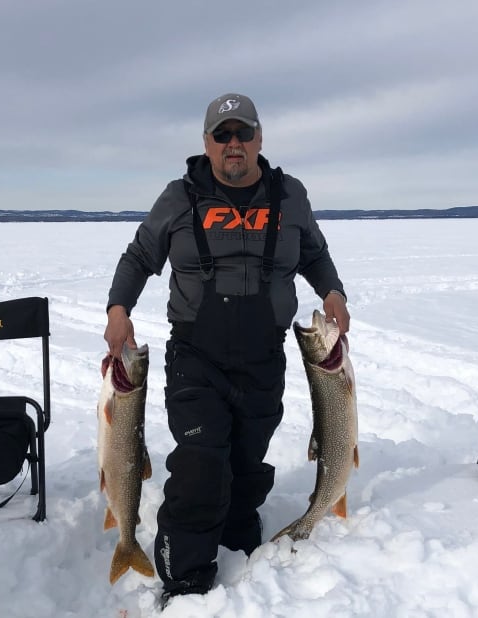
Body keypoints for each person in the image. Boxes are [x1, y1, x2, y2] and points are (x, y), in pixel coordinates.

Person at [104, 93, 349, 601]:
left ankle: (238, 539)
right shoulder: (180, 197)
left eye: (243, 134)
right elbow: (138, 257)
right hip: (197, 355)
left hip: (265, 355)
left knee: (246, 460)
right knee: (199, 462)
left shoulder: (290, 196)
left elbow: (315, 255)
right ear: (207, 144)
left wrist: (333, 292)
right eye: (223, 135)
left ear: (259, 139)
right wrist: (118, 310)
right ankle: (185, 578)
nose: (233, 144)